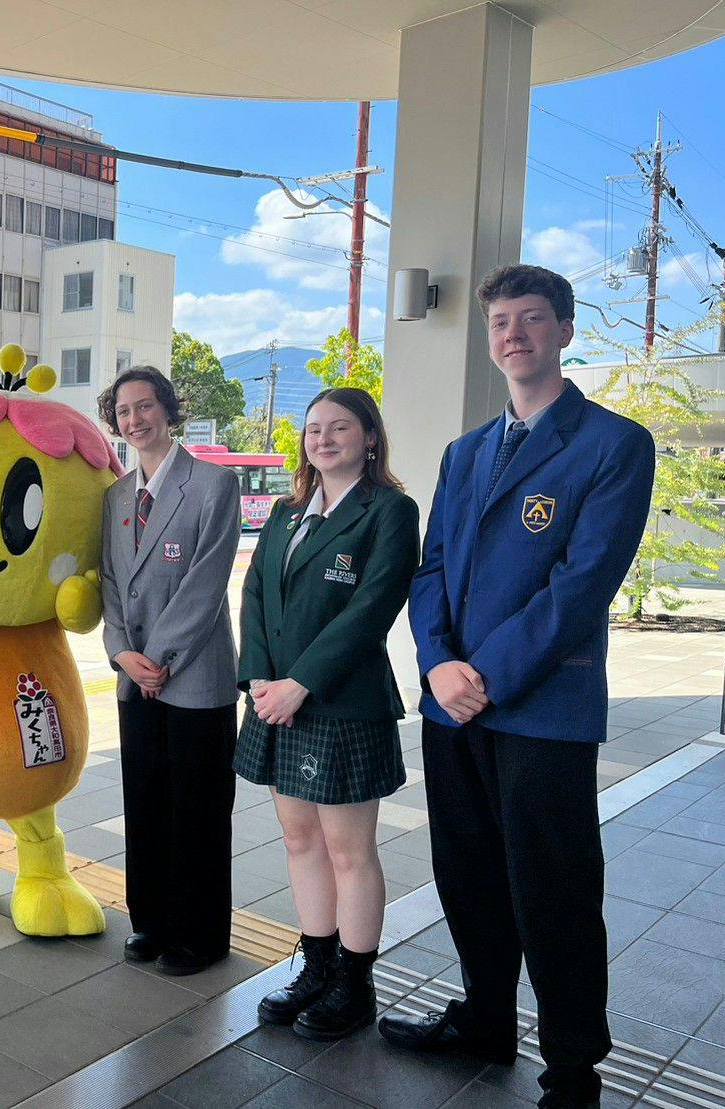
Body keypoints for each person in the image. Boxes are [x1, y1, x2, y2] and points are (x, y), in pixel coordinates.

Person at [381, 265, 655, 1109]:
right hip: (451, 707)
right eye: (500, 321)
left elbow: (580, 585)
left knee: (554, 890)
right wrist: (437, 664)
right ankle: (484, 1020)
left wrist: (486, 676)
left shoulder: (613, 443)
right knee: (466, 875)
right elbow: (430, 570)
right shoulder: (464, 452)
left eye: (531, 318)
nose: (513, 334)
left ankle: (572, 1067)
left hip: (542, 710)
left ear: (564, 330)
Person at [235, 387, 419, 1040]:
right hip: (276, 700)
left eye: (339, 427)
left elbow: (372, 609)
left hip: (341, 703)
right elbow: (255, 593)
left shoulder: (389, 510)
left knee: (349, 849)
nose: (323, 438)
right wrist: (260, 677)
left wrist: (300, 684)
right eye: (314, 429)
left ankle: (354, 984)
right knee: (298, 839)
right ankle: (316, 968)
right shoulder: (286, 513)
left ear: (369, 437)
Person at [98, 366, 241, 976]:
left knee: (198, 809)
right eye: (123, 411)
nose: (135, 420)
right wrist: (120, 651)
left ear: (168, 409)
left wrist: (157, 656)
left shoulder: (213, 484)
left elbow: (206, 582)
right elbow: (109, 582)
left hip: (195, 676)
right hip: (135, 677)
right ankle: (150, 921)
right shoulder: (115, 496)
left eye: (145, 406)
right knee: (146, 800)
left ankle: (200, 936)